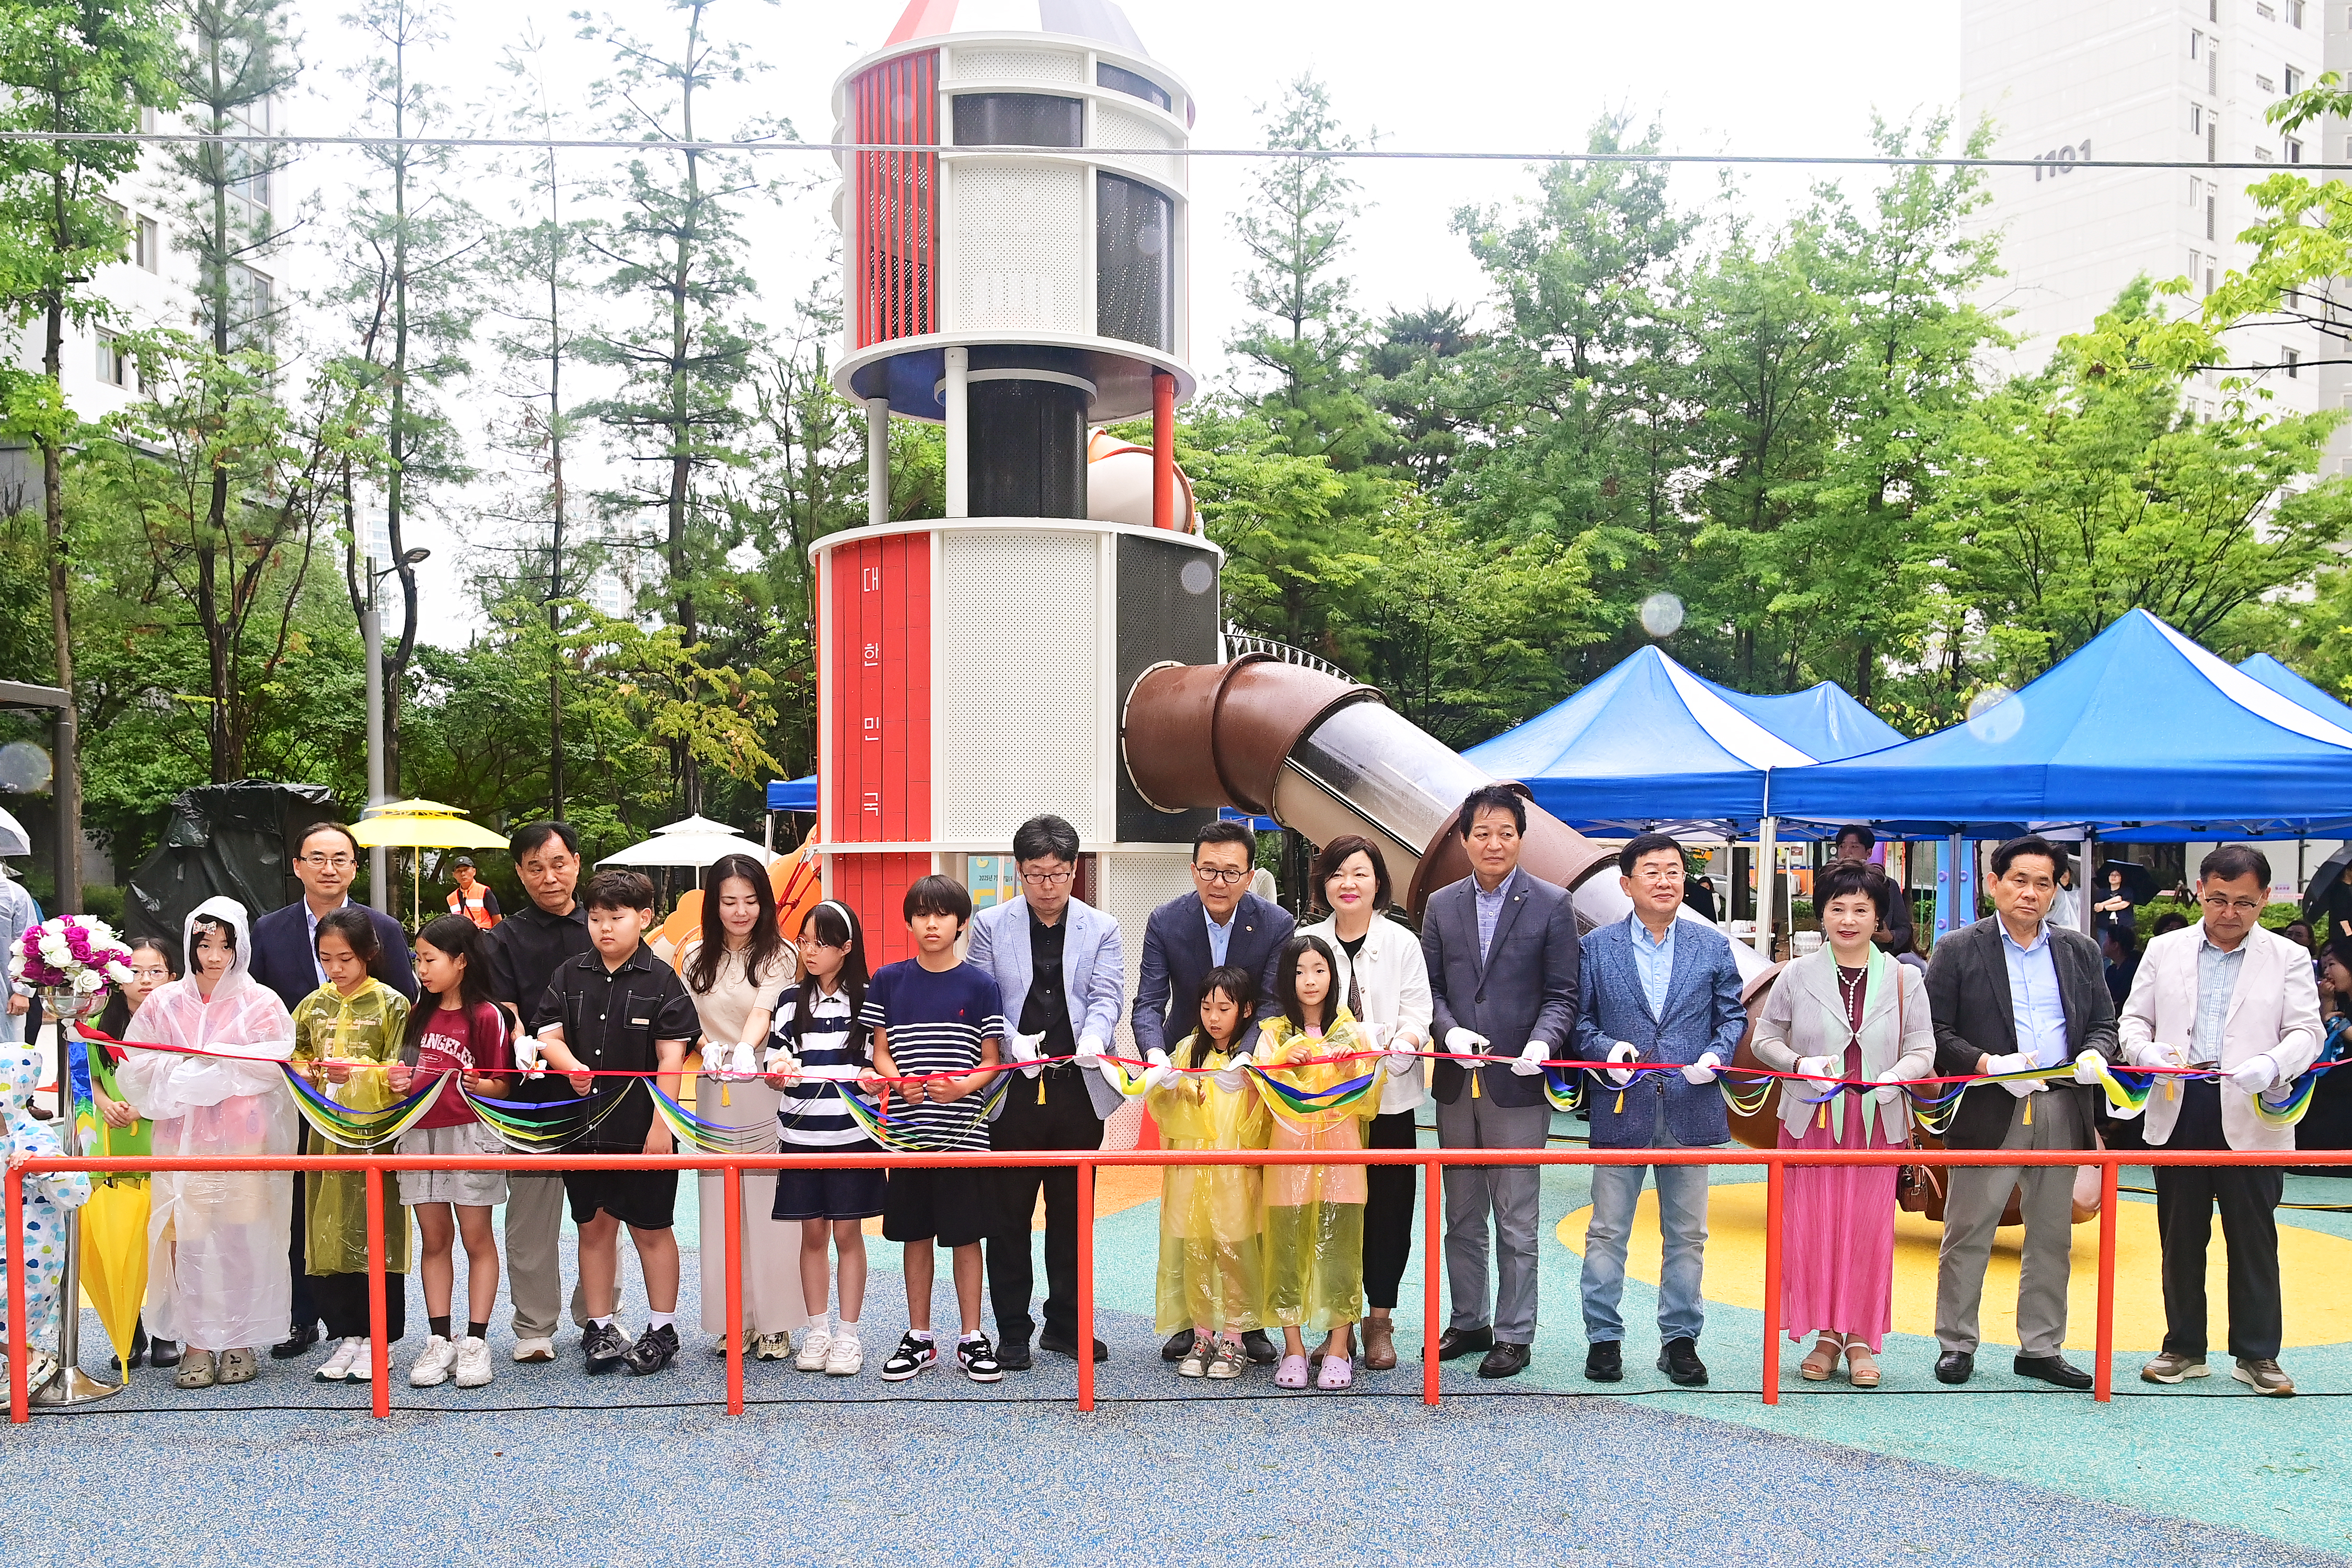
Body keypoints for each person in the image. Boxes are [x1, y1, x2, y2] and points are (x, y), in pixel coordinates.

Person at [2120, 845, 2322, 1397]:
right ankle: (2183, 1346)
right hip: (2179, 1100)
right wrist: (2147, 1054)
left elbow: (2309, 1032)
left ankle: (2258, 1354)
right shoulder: (2164, 949)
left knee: (2253, 1236)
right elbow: (2133, 1021)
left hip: (2253, 1104)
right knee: (2179, 1234)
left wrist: (2273, 1064)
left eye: (2243, 902)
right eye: (2216, 899)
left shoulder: (2288, 957)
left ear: (2264, 900)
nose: (2229, 912)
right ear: (2199, 892)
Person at [1924, 834, 2119, 1390]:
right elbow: (1936, 1033)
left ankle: (2040, 1347)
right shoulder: (1960, 948)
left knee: (2053, 1235)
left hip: (2062, 1102)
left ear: (2057, 889)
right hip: (1992, 1104)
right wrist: (1988, 1063)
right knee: (1969, 1229)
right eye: (2019, 880)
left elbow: (2105, 1024)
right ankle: (1956, 1342)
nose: (2031, 893)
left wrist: (2092, 1054)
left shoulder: (2080, 950)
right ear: (1993, 884)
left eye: (2044, 883)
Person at [1749, 863, 1934, 1387]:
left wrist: (1897, 1076)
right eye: (1837, 908)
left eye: (1861, 909)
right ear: (1822, 915)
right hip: (1811, 1119)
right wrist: (1797, 1064)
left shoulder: (1906, 978)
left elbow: (1924, 1048)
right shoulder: (1794, 974)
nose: (1848, 919)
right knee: (1811, 1229)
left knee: (1869, 1231)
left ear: (1879, 918)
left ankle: (1860, 1336)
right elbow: (1765, 1040)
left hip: (1878, 1122)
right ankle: (1825, 1333)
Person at [1575, 832, 1748, 1388]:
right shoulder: (1595, 947)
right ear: (1626, 884)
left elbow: (1732, 1018)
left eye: (1673, 870)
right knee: (1607, 1231)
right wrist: (1606, 1051)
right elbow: (1578, 1023)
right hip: (1621, 1105)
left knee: (1688, 1234)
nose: (1665, 880)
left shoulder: (1711, 945)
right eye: (1651, 871)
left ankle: (1680, 1341)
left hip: (1690, 1106)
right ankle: (1604, 1339)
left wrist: (1717, 1056)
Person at [1420, 783, 1579, 1381]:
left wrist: (1544, 1040)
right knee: (1460, 1213)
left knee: (1515, 1215)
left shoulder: (1552, 903)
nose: (1493, 843)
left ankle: (1515, 1332)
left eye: (1505, 832)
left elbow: (1564, 992)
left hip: (1519, 1082)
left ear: (1521, 839)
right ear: (1463, 840)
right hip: (1458, 1083)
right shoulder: (1441, 905)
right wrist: (1449, 1030)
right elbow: (1431, 988)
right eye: (1481, 833)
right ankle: (1468, 1319)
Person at [115, 898, 300, 1390]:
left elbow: (273, 1062)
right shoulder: (164, 1002)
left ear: (241, 945)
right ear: (190, 944)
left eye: (225, 945)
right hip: (179, 1142)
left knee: (241, 1238)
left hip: (242, 1141)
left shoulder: (261, 1002)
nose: (215, 956)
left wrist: (217, 1063)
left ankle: (239, 1339)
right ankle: (195, 1342)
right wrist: (191, 1072)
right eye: (205, 944)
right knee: (188, 1241)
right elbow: (136, 1064)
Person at [249, 820, 416, 1362]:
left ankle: (375, 1334)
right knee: (304, 1210)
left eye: (340, 858)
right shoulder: (268, 930)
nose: (329, 868)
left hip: (373, 1117)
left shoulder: (384, 929)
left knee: (372, 1211)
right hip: (300, 1103)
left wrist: (389, 1080)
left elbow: (409, 1018)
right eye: (316, 857)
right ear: (297, 865)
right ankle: (304, 1318)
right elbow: (264, 1016)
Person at [966, 815, 1127, 1370]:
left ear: (1074, 869)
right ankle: (1012, 1330)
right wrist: (1011, 1042)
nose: (1048, 885)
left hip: (1076, 1089)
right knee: (1008, 1216)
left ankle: (1068, 1324)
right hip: (1013, 1090)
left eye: (1058, 873)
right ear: (1019, 871)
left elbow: (1108, 995)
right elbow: (980, 997)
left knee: (1073, 1213)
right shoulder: (990, 925)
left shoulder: (1101, 926)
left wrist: (1094, 1037)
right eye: (1036, 874)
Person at [531, 868, 700, 1376]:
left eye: (617, 918)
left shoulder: (662, 979)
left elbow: (672, 1059)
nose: (605, 928)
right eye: (597, 918)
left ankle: (663, 1327)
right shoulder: (569, 974)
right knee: (594, 1227)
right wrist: (570, 1067)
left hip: (643, 1128)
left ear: (644, 918)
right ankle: (600, 1326)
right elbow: (548, 1034)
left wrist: (661, 1127)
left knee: (652, 1229)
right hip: (583, 1130)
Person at [861, 875, 1006, 1383]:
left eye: (942, 914)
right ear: (909, 922)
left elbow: (992, 1061)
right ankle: (919, 1336)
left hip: (965, 1133)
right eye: (921, 913)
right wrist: (898, 1081)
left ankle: (972, 1336)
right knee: (914, 1236)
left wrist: (964, 1088)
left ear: (961, 923)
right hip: (907, 1135)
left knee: (968, 1239)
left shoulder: (981, 985)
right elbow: (879, 1050)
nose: (931, 922)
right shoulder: (889, 980)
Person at [1299, 834, 1432, 1373]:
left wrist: (1406, 1041)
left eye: (1360, 873)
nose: (1348, 884)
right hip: (1328, 1108)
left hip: (1391, 1101)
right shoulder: (1307, 940)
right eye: (1337, 874)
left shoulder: (1402, 942)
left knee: (1389, 1211)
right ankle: (1338, 1323)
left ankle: (1379, 1318)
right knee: (1330, 1212)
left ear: (1378, 881)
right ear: (1323, 884)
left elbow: (1418, 1012)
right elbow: (1291, 1012)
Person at [482, 821, 600, 1365]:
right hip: (533, 1098)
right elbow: (502, 1008)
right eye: (534, 868)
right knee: (530, 1218)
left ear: (577, 862)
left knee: (602, 1213)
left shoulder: (603, 923)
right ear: (519, 874)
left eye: (557, 864)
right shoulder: (501, 939)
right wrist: (516, 1034)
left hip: (603, 1096)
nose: (548, 877)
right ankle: (534, 1325)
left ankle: (599, 1315)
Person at [679, 852, 804, 1362]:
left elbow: (764, 1011)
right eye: (729, 901)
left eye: (751, 901)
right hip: (714, 1082)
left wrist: (745, 1053)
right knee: (720, 1206)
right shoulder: (693, 957)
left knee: (770, 1205)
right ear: (714, 904)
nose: (740, 911)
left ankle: (776, 1322)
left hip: (763, 1080)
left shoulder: (781, 953)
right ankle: (735, 1318)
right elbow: (687, 1017)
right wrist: (707, 1046)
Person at [386, 914, 513, 1391]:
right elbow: (405, 1075)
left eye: (430, 959)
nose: (421, 968)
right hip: (419, 1135)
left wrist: (487, 1084)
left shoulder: (487, 1016)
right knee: (433, 1239)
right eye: (418, 959)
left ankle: (476, 1341)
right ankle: (440, 1338)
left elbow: (504, 1084)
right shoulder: (417, 1013)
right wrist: (398, 1083)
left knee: (476, 1237)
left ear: (461, 962)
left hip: (471, 1134)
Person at [288, 907, 413, 1382]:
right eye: (326, 958)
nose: (335, 968)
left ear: (368, 955)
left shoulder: (393, 1005)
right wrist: (309, 1070)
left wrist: (360, 1073)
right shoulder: (313, 1004)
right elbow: (295, 1057)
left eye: (345, 958)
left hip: (374, 1136)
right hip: (324, 1135)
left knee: (377, 1230)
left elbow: (402, 1072)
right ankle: (346, 1334)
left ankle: (380, 1337)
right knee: (326, 1228)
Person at [1253, 934, 1381, 1390]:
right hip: (1287, 1160)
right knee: (1285, 1250)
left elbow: (1367, 1103)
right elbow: (1265, 1095)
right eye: (1300, 971)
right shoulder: (1272, 1035)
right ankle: (1293, 1348)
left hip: (1342, 1157)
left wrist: (1352, 1069)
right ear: (1287, 978)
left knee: (1342, 1252)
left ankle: (1340, 1347)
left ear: (1334, 975)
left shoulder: (1354, 1033)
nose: (1311, 981)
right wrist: (1287, 1060)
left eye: (1320, 970)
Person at [764, 898, 880, 1376]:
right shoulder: (790, 1001)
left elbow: (878, 1059)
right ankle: (817, 1331)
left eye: (822, 943)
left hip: (853, 1135)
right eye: (805, 941)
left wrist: (873, 1076)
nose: (810, 952)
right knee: (812, 1234)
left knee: (848, 1233)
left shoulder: (871, 998)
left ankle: (848, 1336)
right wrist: (780, 1073)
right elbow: (778, 1058)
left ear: (846, 948)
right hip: (800, 1136)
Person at [1145, 966, 1270, 1381]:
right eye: (1206, 1007)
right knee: (1196, 1255)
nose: (1213, 1017)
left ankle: (1234, 1338)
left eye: (1224, 1008)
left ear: (1247, 1010)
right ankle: (1203, 1336)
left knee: (1236, 1257)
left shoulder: (1255, 1059)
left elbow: (1265, 1121)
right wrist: (1170, 1087)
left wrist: (1252, 1087)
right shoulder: (1186, 1051)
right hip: (1190, 1174)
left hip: (1235, 1176)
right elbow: (1162, 1111)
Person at [1134, 820, 1293, 1075]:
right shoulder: (1165, 922)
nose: (1219, 883)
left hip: (1252, 1062)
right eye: (1209, 871)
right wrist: (1155, 1053)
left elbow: (1272, 1003)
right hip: (1180, 1058)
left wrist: (1246, 1054)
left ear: (1250, 878)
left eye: (1231, 873)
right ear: (1194, 871)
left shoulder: (1276, 924)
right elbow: (1149, 1002)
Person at [92, 937, 171, 1369]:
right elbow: (92, 1080)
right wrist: (105, 1104)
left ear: (171, 976)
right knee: (120, 1242)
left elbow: (183, 1080)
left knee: (162, 1243)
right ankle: (129, 1329)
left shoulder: (177, 1023)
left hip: (160, 1139)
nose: (144, 980)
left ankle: (165, 1332)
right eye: (135, 971)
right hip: (115, 1143)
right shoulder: (100, 1024)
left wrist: (144, 1107)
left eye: (155, 971)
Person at [3, 1044, 91, 1395]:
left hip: (31, 1243)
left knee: (18, 1306)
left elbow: (78, 1191)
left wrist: (43, 1168)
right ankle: (20, 1359)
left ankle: (26, 1359)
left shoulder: (34, 1137)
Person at [0, 862, 37, 1045]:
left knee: (6, 1058)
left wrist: (23, 991)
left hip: (5, 995)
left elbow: (29, 946)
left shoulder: (15, 895)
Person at [445, 857, 501, 930]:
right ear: (454, 875)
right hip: (462, 938)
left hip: (484, 935)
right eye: (459, 871)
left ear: (474, 872)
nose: (463, 874)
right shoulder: (451, 898)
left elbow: (497, 919)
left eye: (466, 870)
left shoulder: (484, 891)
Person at [2092, 866, 2139, 941]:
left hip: (2123, 926)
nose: (2114, 877)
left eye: (2117, 875)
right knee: (2104, 948)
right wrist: (2115, 900)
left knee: (2123, 949)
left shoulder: (2127, 891)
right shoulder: (2102, 892)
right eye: (2111, 875)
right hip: (2104, 926)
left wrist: (2104, 907)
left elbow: (2123, 905)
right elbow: (2097, 907)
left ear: (2121, 878)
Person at [2102, 927, 2141, 1011]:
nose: (2104, 944)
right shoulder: (2111, 971)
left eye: (2107, 940)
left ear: (2115, 945)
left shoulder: (2133, 968)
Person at [2050, 863, 2081, 931]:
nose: (2065, 875)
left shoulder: (2078, 892)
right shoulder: (2054, 890)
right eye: (2062, 873)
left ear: (2070, 874)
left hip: (2074, 927)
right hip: (2056, 926)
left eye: (2066, 872)